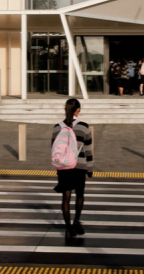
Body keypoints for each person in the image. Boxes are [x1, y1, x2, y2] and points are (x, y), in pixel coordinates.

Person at [52, 98, 93, 240]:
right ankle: (76, 221)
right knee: (80, 195)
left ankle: (68, 229)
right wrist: (90, 168)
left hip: (64, 166)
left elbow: (54, 148)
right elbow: (88, 149)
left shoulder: (57, 127)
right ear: (77, 110)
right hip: (79, 165)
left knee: (66, 197)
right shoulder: (84, 126)